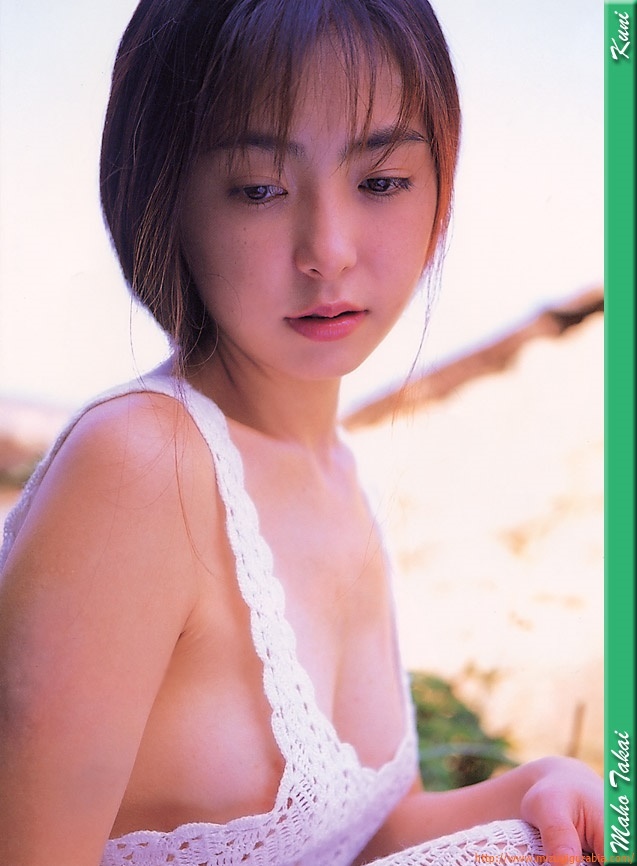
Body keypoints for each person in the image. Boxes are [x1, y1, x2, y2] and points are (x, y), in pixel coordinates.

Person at [0, 1, 603, 864]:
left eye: (381, 181)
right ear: (165, 200)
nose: (328, 249)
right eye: (259, 189)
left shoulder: (342, 481)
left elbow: (356, 838)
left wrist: (532, 787)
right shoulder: (140, 466)